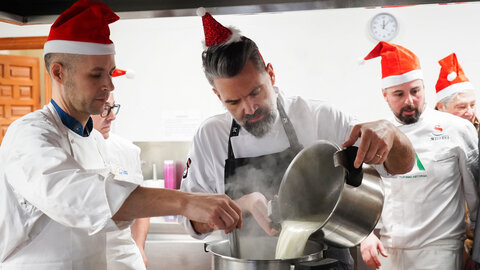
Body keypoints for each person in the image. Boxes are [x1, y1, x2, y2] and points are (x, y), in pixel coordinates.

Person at [0, 1, 241, 269]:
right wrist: (185, 202)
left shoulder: (94, 141)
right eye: (96, 75)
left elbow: (111, 227)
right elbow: (83, 198)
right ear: (58, 72)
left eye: (110, 72)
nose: (110, 85)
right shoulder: (28, 136)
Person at [180, 9, 415, 269]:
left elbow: (402, 166)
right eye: (233, 102)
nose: (249, 108)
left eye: (256, 92)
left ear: (270, 74)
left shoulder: (319, 117)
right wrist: (240, 205)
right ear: (217, 95)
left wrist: (392, 134)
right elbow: (190, 221)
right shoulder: (210, 136)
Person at [360, 41, 479, 270]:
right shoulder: (373, 134)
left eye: (415, 91)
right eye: (398, 94)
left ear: (424, 87)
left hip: (440, 249)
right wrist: (365, 235)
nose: (409, 102)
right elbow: (360, 193)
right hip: (389, 250)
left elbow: (475, 196)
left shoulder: (457, 129)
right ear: (384, 95)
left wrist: (477, 249)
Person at [91, 91, 150, 270]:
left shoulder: (127, 150)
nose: (112, 117)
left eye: (112, 107)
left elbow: (142, 204)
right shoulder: (65, 153)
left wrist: (139, 246)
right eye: (104, 109)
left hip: (124, 261)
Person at [435, 53, 478, 131]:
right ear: (441, 107)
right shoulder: (427, 136)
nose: (470, 113)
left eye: (472, 105)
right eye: (462, 107)